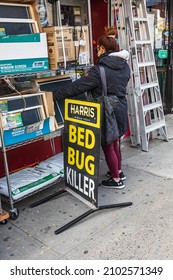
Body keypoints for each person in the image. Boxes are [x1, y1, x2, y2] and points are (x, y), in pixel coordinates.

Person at [53, 26, 131, 189]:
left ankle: (116, 180)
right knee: (115, 142)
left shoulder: (98, 70)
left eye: (97, 49)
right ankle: (118, 171)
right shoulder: (124, 65)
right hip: (121, 106)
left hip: (106, 111)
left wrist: (53, 95)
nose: (96, 52)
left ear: (102, 48)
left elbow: (76, 87)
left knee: (107, 144)